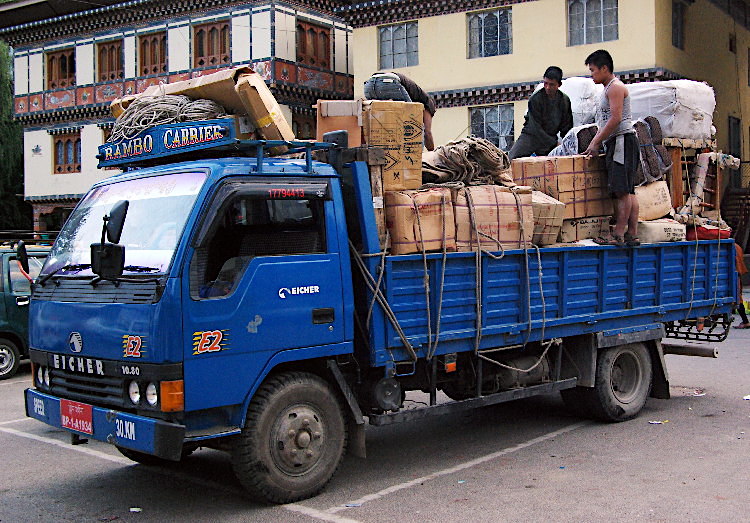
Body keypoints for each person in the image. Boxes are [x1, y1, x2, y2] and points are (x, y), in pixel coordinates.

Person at [583, 50, 640, 247]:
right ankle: (631, 233)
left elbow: (615, 119)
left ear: (604, 68)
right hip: (620, 141)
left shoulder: (615, 88)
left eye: (593, 70)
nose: (592, 75)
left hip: (622, 141)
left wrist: (596, 141)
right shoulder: (607, 89)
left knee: (622, 190)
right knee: (628, 189)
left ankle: (618, 233)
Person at [508, 66, 573, 160]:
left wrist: (566, 143)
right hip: (531, 136)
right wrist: (554, 142)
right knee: (512, 159)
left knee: (564, 161)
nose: (548, 87)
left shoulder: (564, 101)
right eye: (545, 83)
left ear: (559, 85)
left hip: (550, 138)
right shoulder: (536, 99)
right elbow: (535, 128)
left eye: (551, 84)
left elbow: (567, 127)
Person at [363, 72, 436, 151]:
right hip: (389, 82)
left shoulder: (417, 96)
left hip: (369, 85)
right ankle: (416, 159)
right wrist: (432, 154)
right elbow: (427, 133)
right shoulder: (428, 103)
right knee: (415, 126)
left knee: (381, 121)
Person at [735, 243, 750, 328]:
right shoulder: (736, 246)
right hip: (737, 273)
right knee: (738, 296)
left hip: (734, 274)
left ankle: (745, 321)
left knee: (738, 297)